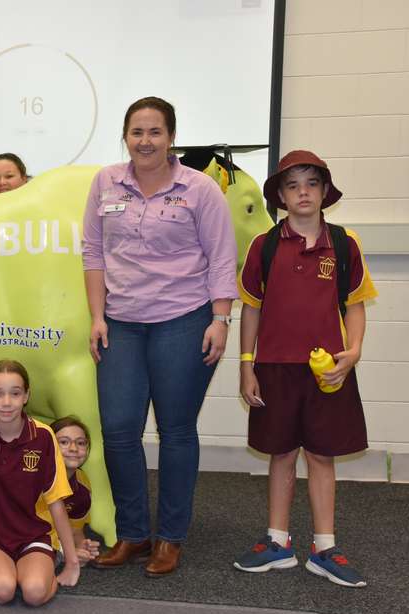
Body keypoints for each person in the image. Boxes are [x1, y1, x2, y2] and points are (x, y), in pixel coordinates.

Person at [82, 96, 238, 576]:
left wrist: (220, 318)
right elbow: (92, 252)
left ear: (171, 137)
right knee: (119, 430)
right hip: (122, 323)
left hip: (184, 319)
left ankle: (170, 538)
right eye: (136, 132)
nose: (145, 141)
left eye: (155, 132)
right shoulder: (106, 181)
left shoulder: (200, 189)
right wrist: (97, 316)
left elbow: (221, 256)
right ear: (125, 137)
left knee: (175, 431)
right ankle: (133, 534)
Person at [232, 150, 377, 588]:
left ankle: (324, 548)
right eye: (293, 185)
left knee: (321, 455)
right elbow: (251, 310)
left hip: (326, 372)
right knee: (280, 453)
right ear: (280, 195)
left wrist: (351, 353)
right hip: (275, 368)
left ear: (324, 191)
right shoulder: (266, 245)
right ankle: (278, 543)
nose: (303, 193)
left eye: (311, 184)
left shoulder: (345, 243)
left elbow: (355, 306)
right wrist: (246, 365)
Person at [0, 360, 80, 606]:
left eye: (15, 393)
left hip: (33, 534)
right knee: (3, 590)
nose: (7, 402)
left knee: (34, 593)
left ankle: (42, 564)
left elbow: (56, 502)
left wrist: (72, 562)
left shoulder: (43, 436)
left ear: (26, 396)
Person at [51, 416, 101, 565]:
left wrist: (81, 547)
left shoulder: (82, 484)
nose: (74, 448)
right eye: (64, 442)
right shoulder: (33, 477)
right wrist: (66, 551)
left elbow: (74, 528)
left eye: (81, 443)